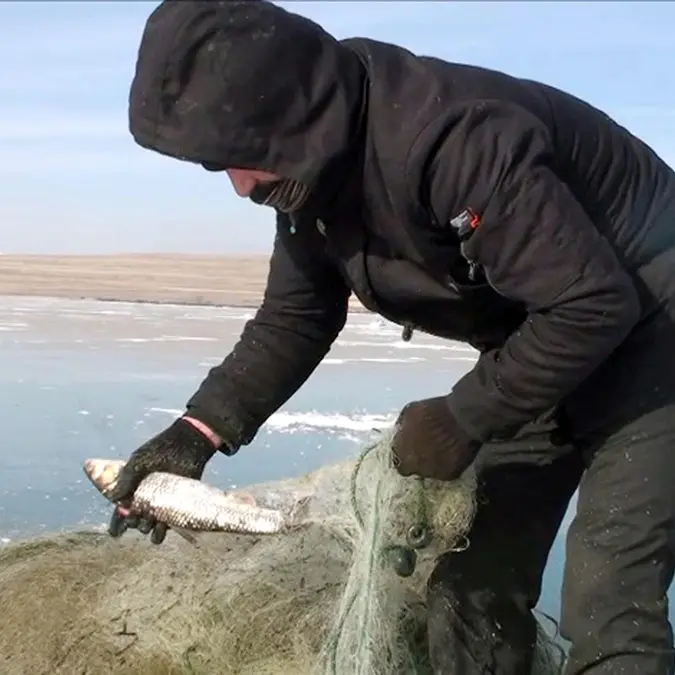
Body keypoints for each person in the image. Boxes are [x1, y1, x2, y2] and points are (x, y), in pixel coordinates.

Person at [106, 1, 675, 673]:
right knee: (469, 586)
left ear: (294, 116)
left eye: (242, 158)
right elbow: (297, 316)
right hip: (541, 341)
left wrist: (464, 416)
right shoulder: (310, 174)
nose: (239, 186)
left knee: (607, 603)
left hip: (651, 330)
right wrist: (197, 431)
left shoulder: (452, 136)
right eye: (217, 167)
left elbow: (589, 303)